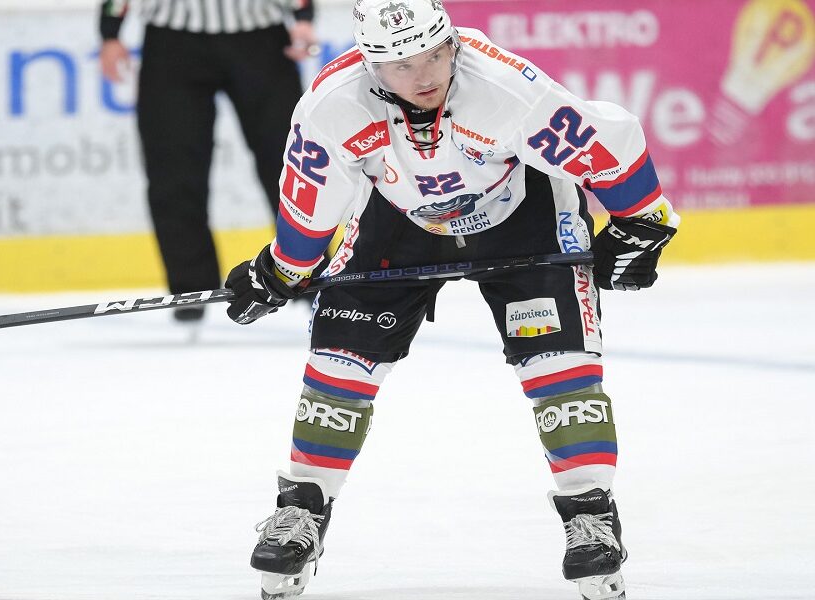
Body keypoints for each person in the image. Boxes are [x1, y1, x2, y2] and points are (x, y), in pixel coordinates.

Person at [223, 0, 680, 598]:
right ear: (370, 65)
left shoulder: (504, 88)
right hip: (399, 219)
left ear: (452, 44)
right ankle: (302, 507)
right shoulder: (333, 105)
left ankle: (590, 514)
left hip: (523, 214)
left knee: (559, 363)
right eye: (402, 64)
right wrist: (281, 270)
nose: (424, 75)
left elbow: (608, 140)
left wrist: (643, 222)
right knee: (339, 361)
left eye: (435, 55)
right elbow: (313, 198)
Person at [97, 0, 318, 322]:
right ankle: (191, 289)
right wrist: (110, 32)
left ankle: (308, 274)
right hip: (173, 40)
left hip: (259, 36)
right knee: (173, 168)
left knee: (290, 163)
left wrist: (303, 16)